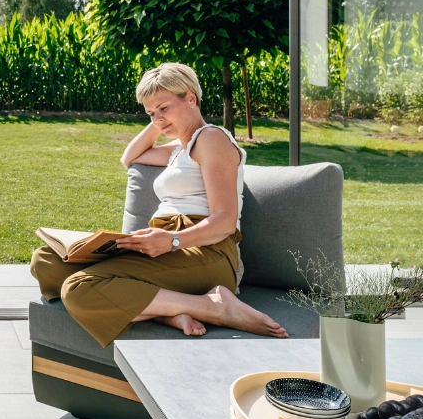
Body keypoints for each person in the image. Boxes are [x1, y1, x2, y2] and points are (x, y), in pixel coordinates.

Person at [30, 61, 287, 345]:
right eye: (151, 112)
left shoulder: (211, 139)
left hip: (204, 252)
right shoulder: (180, 149)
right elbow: (130, 157)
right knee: (46, 261)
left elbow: (225, 220)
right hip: (165, 246)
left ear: (191, 98)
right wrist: (160, 120)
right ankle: (171, 312)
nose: (158, 118)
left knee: (79, 290)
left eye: (164, 108)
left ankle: (216, 307)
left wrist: (173, 240)